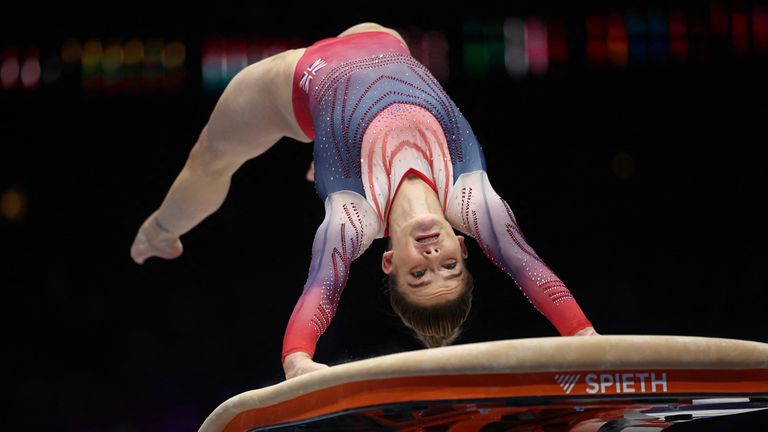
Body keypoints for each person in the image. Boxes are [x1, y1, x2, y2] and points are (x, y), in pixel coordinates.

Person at [130, 22, 599, 381]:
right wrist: (584, 336)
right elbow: (526, 263)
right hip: (380, 39)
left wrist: (298, 361)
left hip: (294, 85)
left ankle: (159, 231)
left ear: (389, 261)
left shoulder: (354, 217)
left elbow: (322, 287)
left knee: (211, 157)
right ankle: (324, 159)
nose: (434, 258)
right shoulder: (472, 197)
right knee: (357, 90)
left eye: (418, 274)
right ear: (464, 245)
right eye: (450, 268)